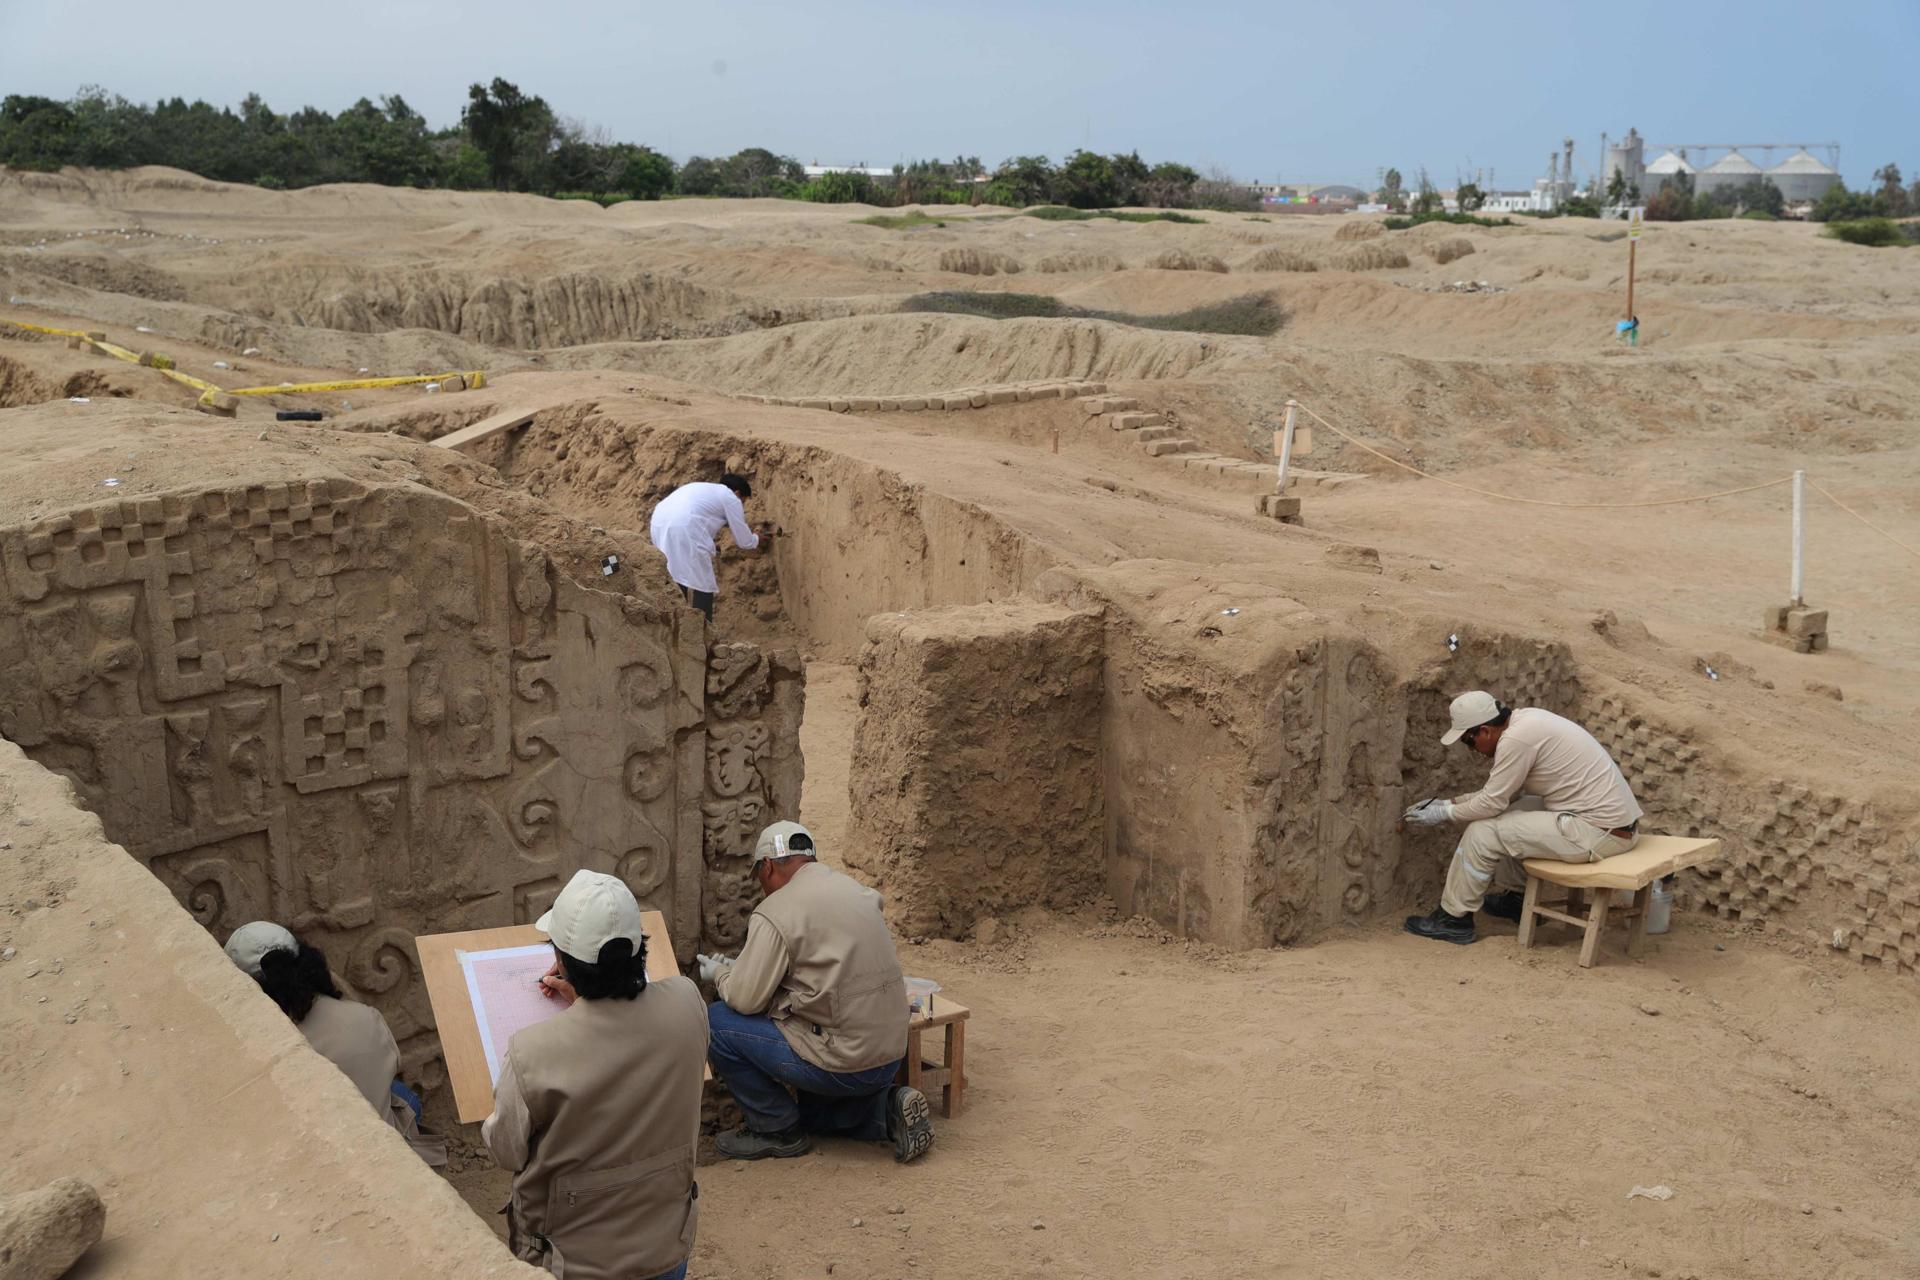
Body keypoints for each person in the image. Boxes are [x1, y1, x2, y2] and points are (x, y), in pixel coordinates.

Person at [482, 870, 708, 1280]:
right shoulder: (689, 1003)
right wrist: (593, 997)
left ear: (564, 961)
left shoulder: (531, 1051)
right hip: (665, 1248)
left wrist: (586, 1001)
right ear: (640, 949)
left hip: (571, 1263)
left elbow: (506, 1152)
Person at [696, 821, 933, 1164]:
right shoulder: (858, 891)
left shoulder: (777, 910)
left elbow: (746, 999)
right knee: (815, 1113)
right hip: (890, 1053)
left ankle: (775, 1129)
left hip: (842, 1063)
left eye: (759, 876)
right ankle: (888, 1109)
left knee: (717, 1021)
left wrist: (720, 974)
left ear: (767, 866)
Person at [1402, 691, 1643, 945]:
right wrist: (1448, 802)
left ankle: (1453, 919)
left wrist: (1442, 813)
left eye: (1468, 741)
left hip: (1598, 833)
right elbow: (1500, 795)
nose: (1472, 750)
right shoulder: (1526, 722)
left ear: (1484, 731)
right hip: (1609, 826)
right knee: (1516, 808)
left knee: (1483, 831)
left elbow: (1490, 803)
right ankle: (1516, 901)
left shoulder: (1516, 740)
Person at [223, 921, 446, 1164]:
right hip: (383, 1149)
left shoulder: (263, 1049)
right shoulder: (364, 1016)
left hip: (330, 1161)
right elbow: (391, 1063)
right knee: (398, 1094)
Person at [648, 474, 763, 624]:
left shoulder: (704, 489)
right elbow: (744, 541)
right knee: (704, 584)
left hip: (659, 524)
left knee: (675, 574)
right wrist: (757, 538)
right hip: (684, 527)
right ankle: (702, 633)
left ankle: (672, 627)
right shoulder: (730, 497)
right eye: (743, 501)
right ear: (738, 493)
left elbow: (702, 516)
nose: (741, 505)